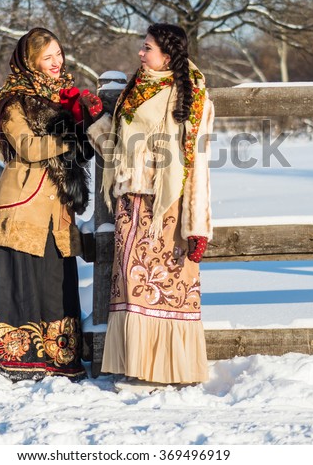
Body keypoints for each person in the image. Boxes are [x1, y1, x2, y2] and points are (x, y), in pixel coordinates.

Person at [0, 27, 102, 382]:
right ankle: (10, 355)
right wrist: (71, 138)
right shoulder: (14, 99)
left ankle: (55, 356)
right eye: (47, 57)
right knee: (18, 277)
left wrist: (87, 122)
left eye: (58, 54)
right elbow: (29, 148)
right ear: (29, 62)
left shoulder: (64, 97)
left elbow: (86, 139)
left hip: (57, 205)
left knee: (51, 279)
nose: (56, 62)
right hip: (24, 201)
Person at [86, 23, 214, 388]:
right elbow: (118, 150)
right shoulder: (134, 89)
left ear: (168, 56)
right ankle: (138, 367)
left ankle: (168, 370)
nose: (140, 54)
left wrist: (198, 227)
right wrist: (98, 121)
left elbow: (197, 164)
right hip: (131, 203)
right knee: (130, 285)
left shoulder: (191, 95)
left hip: (167, 206)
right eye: (142, 47)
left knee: (166, 287)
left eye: (147, 48)